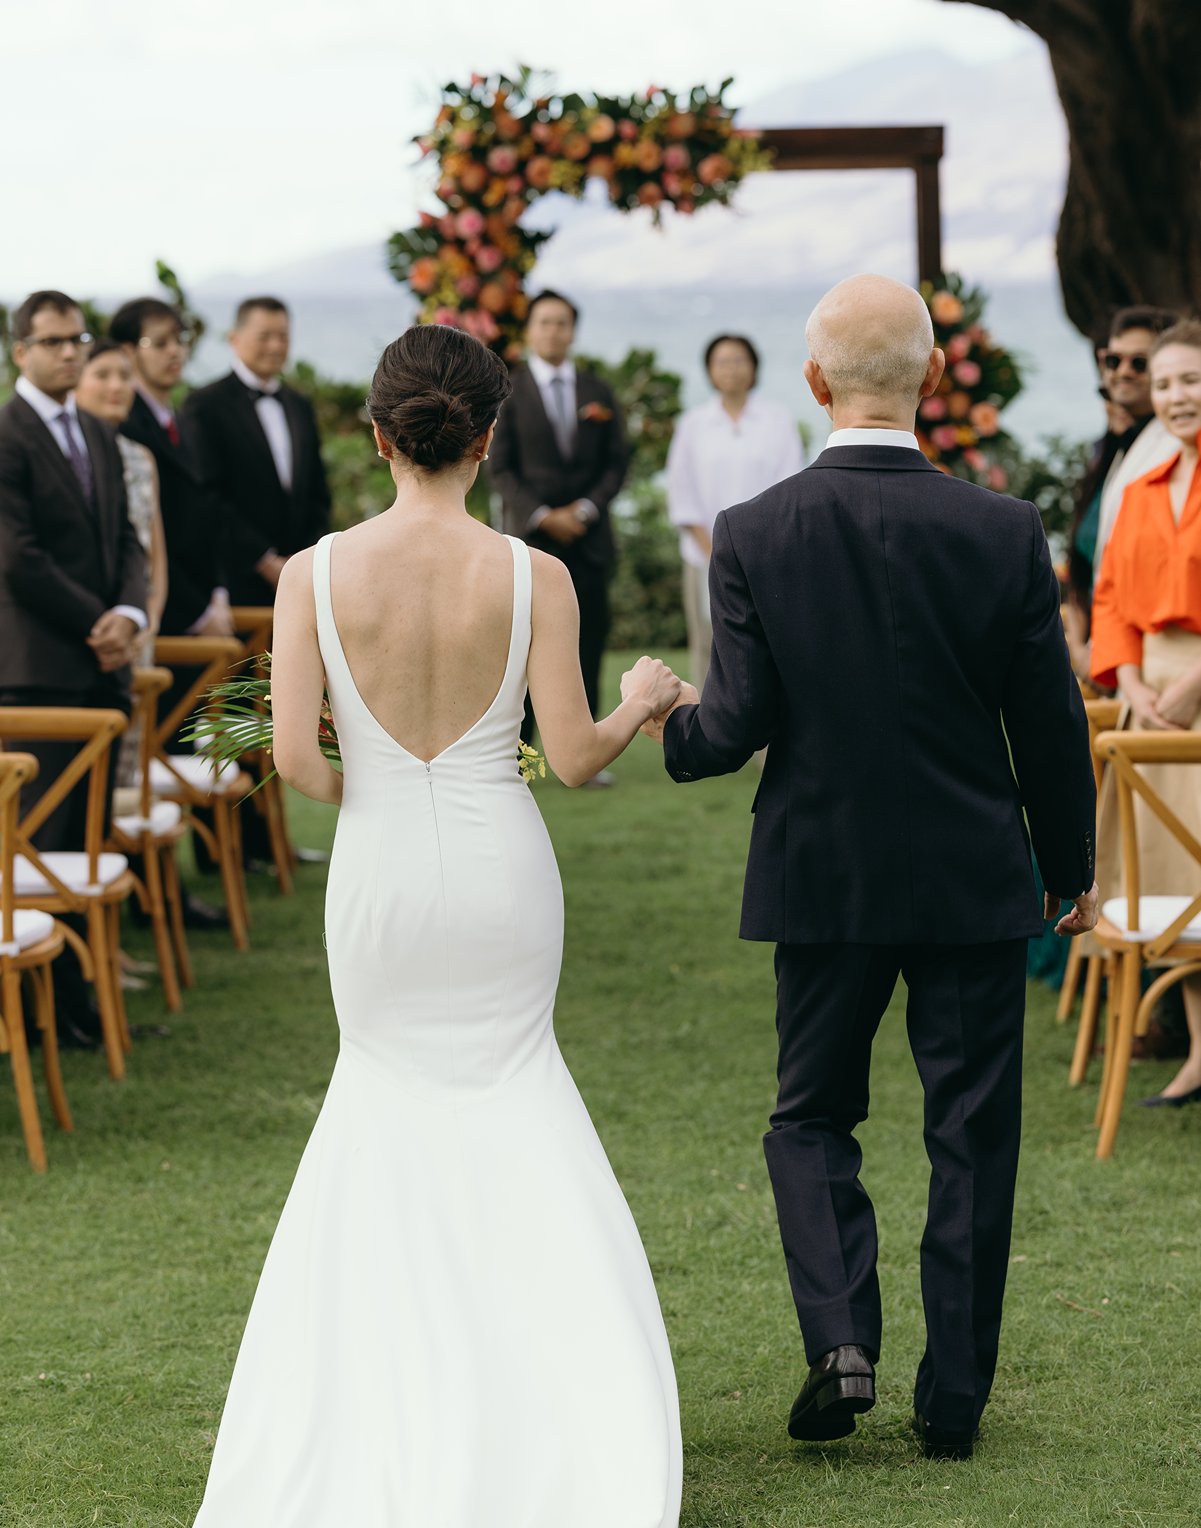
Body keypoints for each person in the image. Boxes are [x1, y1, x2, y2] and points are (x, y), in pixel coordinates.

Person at [193, 324, 683, 1527]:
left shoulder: (311, 574)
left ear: (376, 437)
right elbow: (570, 761)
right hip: (499, 867)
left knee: (382, 1098)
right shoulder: (536, 578)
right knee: (518, 1091)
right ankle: (557, 1405)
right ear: (487, 437)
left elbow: (304, 772)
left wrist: (370, 761)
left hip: (381, 881)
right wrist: (638, 703)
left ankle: (375, 1397)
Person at [638, 273, 1097, 1461]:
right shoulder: (1002, 529)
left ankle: (841, 1343)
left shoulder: (755, 531)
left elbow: (728, 731)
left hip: (822, 878)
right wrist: (1069, 864)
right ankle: (952, 1403)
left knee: (809, 1122)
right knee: (972, 1136)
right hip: (972, 879)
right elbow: (1047, 722)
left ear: (811, 383)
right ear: (932, 378)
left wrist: (668, 719)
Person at [0, 292, 148, 1046]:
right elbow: (16, 556)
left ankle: (80, 1010)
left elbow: (126, 539)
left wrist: (129, 616)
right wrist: (95, 622)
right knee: (38, 852)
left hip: (103, 667)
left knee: (89, 846)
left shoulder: (94, 430)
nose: (68, 353)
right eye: (52, 342)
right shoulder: (6, 433)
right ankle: (36, 1018)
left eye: (75, 340)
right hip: (38, 674)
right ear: (17, 348)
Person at [1091, 319, 1201, 1107]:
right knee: (1168, 878)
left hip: (1196, 688)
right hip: (1146, 695)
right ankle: (1198, 1051)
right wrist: (1128, 683)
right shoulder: (1136, 491)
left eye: (1189, 379)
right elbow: (1107, 601)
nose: (1174, 396)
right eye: (1163, 383)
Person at [489, 290, 629, 773]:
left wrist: (586, 510)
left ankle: (585, 752)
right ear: (529, 330)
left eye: (563, 323)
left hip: (589, 544)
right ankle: (517, 754)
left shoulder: (598, 390)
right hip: (531, 542)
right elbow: (499, 467)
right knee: (519, 651)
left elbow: (617, 462)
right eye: (545, 322)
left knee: (588, 644)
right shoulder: (506, 390)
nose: (554, 331)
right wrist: (542, 514)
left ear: (573, 331)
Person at [666, 333, 803, 692]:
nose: (731, 369)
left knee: (767, 645)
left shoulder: (777, 420)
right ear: (710, 371)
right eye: (722, 361)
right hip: (703, 557)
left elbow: (787, 489)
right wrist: (717, 552)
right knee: (708, 645)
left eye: (739, 360)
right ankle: (710, 736)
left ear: (754, 367)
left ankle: (766, 743)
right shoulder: (693, 424)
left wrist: (754, 551)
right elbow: (683, 495)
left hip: (767, 558)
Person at [181, 296, 331, 606]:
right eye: (265, 336)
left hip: (301, 576)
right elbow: (207, 495)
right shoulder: (204, 405)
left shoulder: (299, 405)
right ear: (234, 339)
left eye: (284, 336)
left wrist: (305, 560)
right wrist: (264, 561)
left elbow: (317, 490)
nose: (276, 346)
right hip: (235, 579)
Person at [73, 338, 168, 787]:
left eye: (125, 376)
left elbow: (154, 555)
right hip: (83, 629)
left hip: (136, 630)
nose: (117, 386)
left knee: (128, 768)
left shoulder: (140, 457)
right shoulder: (65, 456)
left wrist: (144, 622)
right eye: (103, 375)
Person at [1065, 305, 1178, 680]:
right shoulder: (1118, 449)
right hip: (1106, 652)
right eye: (1113, 360)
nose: (1122, 372)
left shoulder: (1174, 450)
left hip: (1145, 663)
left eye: (1139, 363)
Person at [107, 296, 231, 637]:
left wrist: (218, 595)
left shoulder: (184, 421)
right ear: (127, 351)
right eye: (160, 343)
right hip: (162, 618)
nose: (175, 351)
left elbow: (207, 511)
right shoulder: (124, 428)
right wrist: (198, 615)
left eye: (179, 340)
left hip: (207, 604)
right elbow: (142, 537)